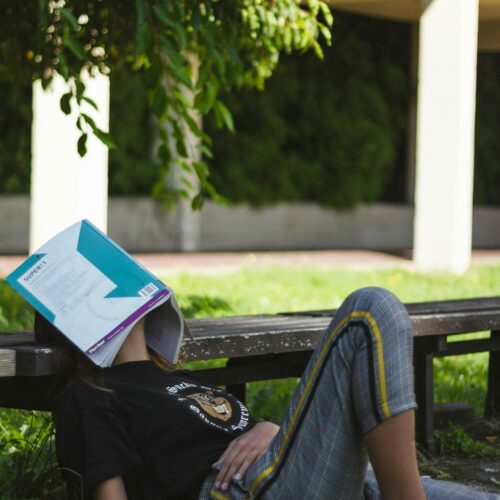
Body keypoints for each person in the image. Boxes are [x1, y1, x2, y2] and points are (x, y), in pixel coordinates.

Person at [37, 287, 499, 499]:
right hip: (247, 493)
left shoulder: (175, 378)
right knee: (370, 311)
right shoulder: (90, 395)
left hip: (317, 479)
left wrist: (266, 427)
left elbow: (236, 432)